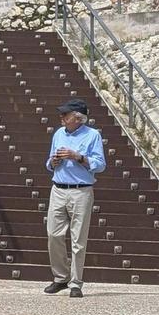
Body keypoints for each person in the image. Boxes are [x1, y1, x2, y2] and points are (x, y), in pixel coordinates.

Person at [43, 99, 106, 298]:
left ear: (78, 118)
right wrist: (54, 161)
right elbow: (48, 162)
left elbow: (100, 164)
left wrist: (77, 157)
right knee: (53, 234)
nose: (62, 118)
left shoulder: (92, 135)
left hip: (81, 191)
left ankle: (76, 282)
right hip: (58, 188)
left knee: (78, 238)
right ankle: (60, 277)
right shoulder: (58, 134)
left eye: (66, 115)